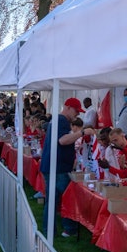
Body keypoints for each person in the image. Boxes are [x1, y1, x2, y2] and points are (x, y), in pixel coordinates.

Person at [39, 98, 82, 238]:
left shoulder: (57, 120)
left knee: (52, 200)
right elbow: (63, 140)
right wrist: (81, 133)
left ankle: (49, 230)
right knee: (66, 198)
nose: (77, 115)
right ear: (68, 108)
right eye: (76, 111)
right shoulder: (62, 121)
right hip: (58, 168)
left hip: (54, 166)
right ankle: (68, 229)